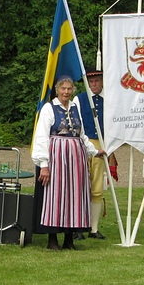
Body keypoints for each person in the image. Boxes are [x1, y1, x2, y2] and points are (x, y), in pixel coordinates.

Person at [32, 76, 106, 251]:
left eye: (69, 89)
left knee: (74, 196)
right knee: (56, 196)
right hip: (57, 157)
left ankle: (68, 239)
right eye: (63, 89)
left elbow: (81, 134)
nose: (66, 92)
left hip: (76, 158)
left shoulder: (74, 107)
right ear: (57, 90)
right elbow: (41, 136)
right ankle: (52, 239)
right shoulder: (49, 109)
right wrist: (44, 164)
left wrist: (94, 151)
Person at [75, 70, 119, 239]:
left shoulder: (109, 99)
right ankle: (77, 227)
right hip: (83, 143)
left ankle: (93, 228)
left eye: (97, 81)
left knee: (97, 186)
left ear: (102, 82)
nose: (94, 84)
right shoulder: (79, 100)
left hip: (101, 144)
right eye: (91, 81)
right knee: (80, 185)